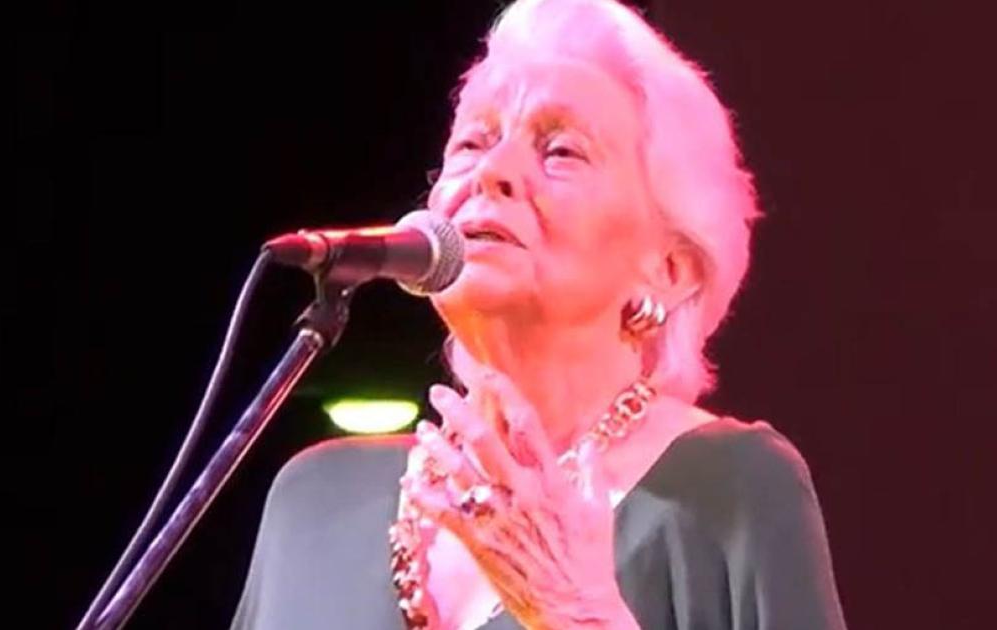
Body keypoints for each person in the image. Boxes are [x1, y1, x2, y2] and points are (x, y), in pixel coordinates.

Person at [231, 0, 847, 628]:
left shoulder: (729, 491)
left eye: (561, 152)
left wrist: (575, 612)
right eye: (472, 142)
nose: (493, 172)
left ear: (669, 267)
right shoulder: (315, 501)